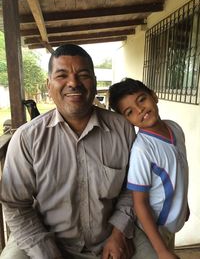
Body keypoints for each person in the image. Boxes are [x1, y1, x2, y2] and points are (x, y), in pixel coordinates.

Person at [0, 45, 158, 259]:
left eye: (83, 75)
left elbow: (131, 188)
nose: (73, 83)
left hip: (109, 235)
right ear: (49, 85)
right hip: (46, 239)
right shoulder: (28, 138)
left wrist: (119, 232)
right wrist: (46, 252)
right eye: (62, 75)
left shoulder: (122, 129)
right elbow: (15, 204)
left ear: (94, 82)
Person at [109, 78, 189, 259]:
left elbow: (179, 171)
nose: (140, 110)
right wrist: (161, 251)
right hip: (153, 228)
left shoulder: (175, 128)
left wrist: (184, 204)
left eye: (142, 100)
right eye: (130, 112)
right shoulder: (142, 150)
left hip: (172, 223)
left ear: (154, 96)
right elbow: (140, 203)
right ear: (127, 120)